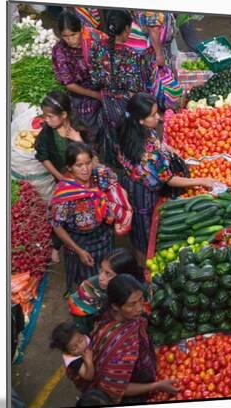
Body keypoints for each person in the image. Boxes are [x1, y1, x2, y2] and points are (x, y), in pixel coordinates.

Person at [116, 93, 221, 264]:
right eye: (153, 115)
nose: (158, 118)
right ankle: (143, 268)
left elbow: (156, 142)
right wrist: (202, 180)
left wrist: (168, 148)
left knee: (142, 230)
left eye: (157, 112)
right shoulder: (146, 154)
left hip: (132, 182)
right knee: (144, 233)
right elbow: (168, 179)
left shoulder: (131, 129)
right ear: (140, 120)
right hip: (143, 193)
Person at [49, 142, 127, 295]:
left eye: (87, 163)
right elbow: (57, 226)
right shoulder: (64, 194)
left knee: (107, 272)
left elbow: (118, 189)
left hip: (103, 234)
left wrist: (121, 212)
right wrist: (78, 251)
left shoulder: (100, 175)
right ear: (69, 167)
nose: (85, 169)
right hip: (81, 242)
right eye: (79, 165)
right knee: (89, 281)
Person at [88, 274, 179, 404]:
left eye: (141, 299)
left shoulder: (124, 318)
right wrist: (156, 386)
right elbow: (116, 388)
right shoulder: (120, 344)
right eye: (132, 304)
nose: (140, 308)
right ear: (115, 306)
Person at [35, 91, 89, 264]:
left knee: (83, 211)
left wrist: (78, 140)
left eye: (50, 116)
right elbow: (43, 156)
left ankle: (83, 241)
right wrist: (60, 177)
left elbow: (92, 159)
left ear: (64, 115)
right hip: (63, 180)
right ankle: (56, 245)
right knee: (59, 214)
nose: (47, 120)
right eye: (45, 116)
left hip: (84, 180)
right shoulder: (47, 134)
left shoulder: (79, 129)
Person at [89, 10, 149, 166]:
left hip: (107, 103)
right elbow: (138, 87)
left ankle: (115, 163)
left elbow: (95, 80)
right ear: (127, 29)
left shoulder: (97, 48)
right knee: (129, 136)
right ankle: (131, 165)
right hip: (127, 105)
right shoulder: (132, 55)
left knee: (113, 135)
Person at [52, 10, 107, 152]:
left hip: (102, 86)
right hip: (82, 94)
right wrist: (95, 95)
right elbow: (69, 84)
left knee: (111, 120)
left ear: (81, 30)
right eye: (65, 36)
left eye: (73, 34)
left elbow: (109, 56)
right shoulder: (60, 51)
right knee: (90, 128)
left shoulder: (92, 38)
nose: (70, 39)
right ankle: (92, 153)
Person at [68, 248, 143, 334]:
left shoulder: (137, 289)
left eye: (108, 274)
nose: (101, 277)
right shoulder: (90, 288)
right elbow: (78, 316)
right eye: (101, 270)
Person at [50, 321, 95, 392]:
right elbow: (89, 377)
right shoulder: (75, 362)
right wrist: (89, 362)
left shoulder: (83, 334)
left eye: (81, 340)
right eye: (74, 348)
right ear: (67, 352)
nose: (81, 347)